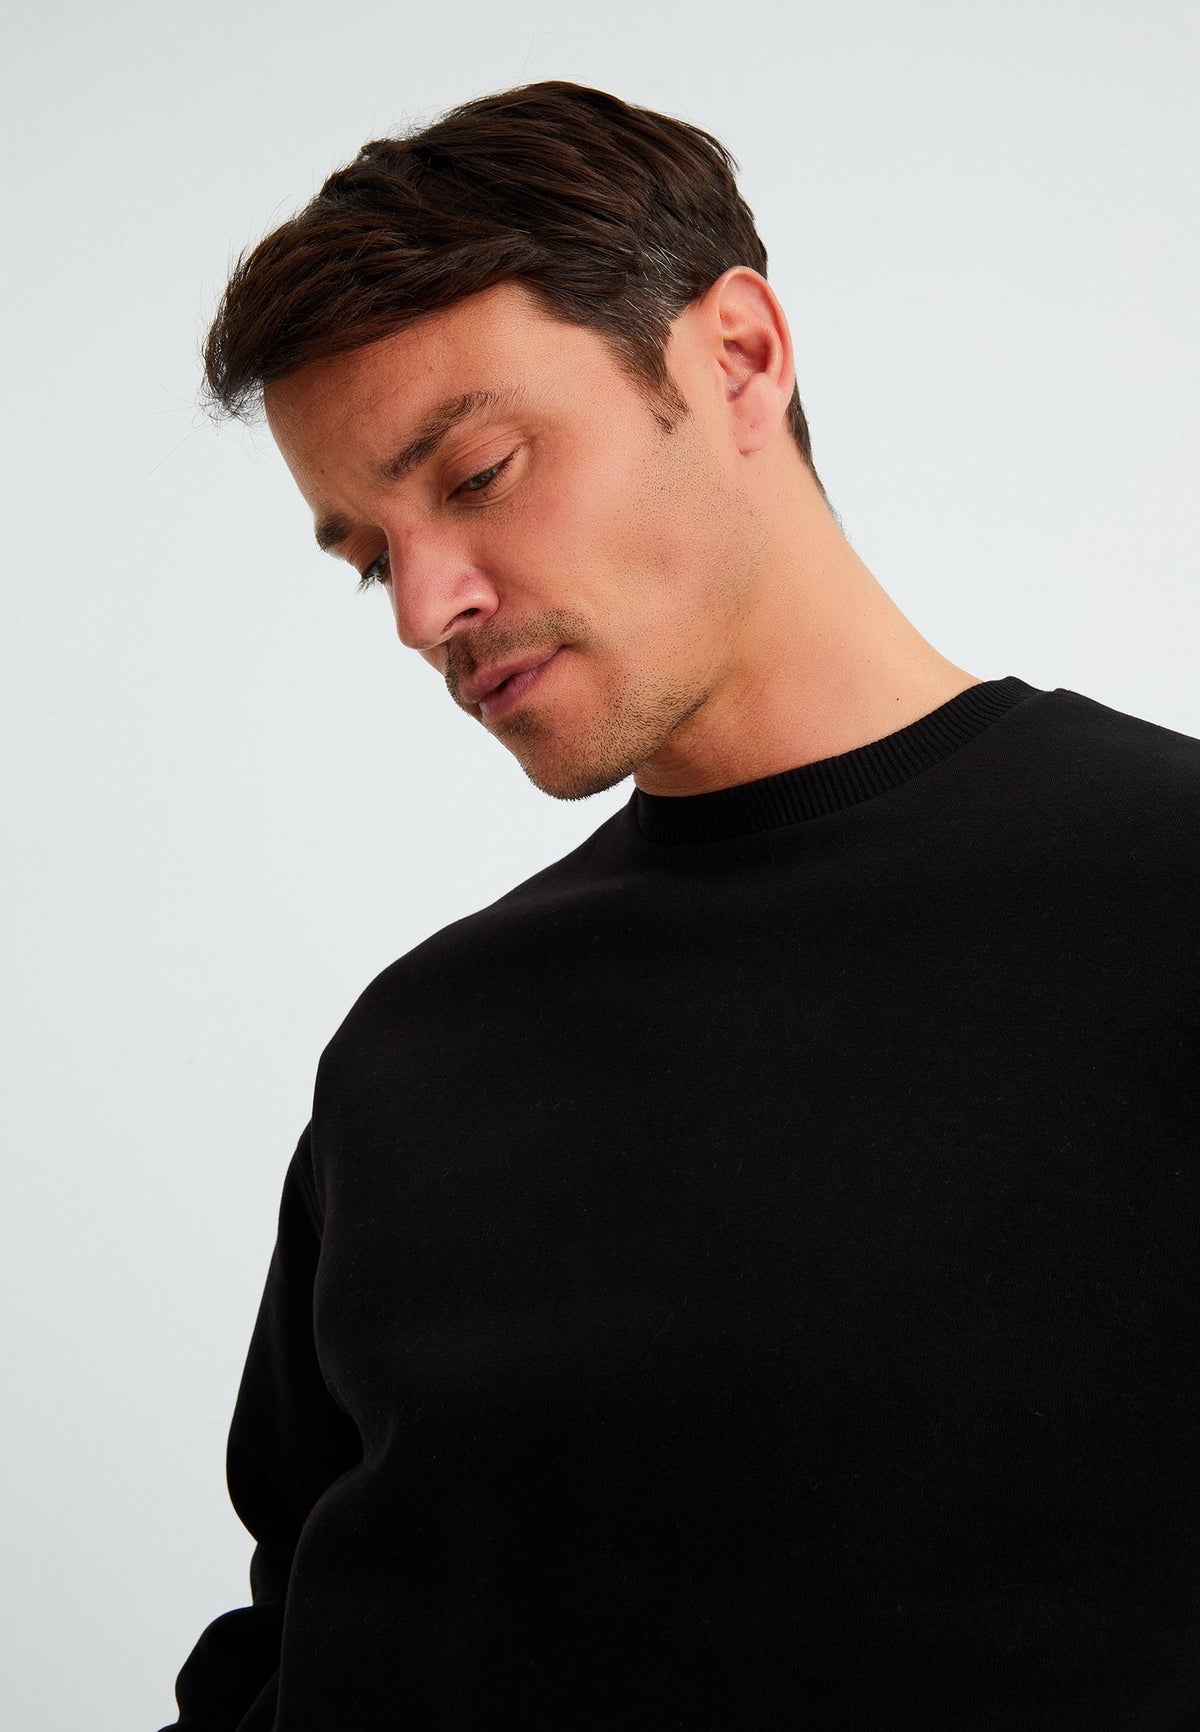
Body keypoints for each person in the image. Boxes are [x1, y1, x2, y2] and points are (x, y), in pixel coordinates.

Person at [160, 81, 1200, 1730]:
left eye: (480, 472)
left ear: (736, 358)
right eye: (369, 556)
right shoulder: (415, 1054)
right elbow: (289, 1637)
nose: (426, 608)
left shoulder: (1165, 902)